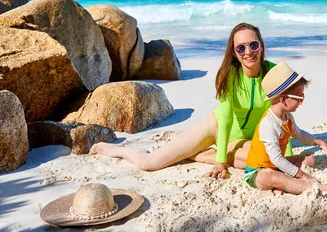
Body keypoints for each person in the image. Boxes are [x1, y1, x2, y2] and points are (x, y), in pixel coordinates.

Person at [91, 22, 291, 179]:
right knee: (149, 164)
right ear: (234, 53)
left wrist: (288, 156)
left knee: (268, 161)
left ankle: (196, 155)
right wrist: (220, 163)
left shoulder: (274, 72)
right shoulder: (230, 76)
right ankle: (118, 151)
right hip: (218, 126)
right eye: (241, 48)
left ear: (261, 46)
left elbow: (282, 117)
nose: (248, 52)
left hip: (249, 138)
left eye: (253, 44)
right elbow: (227, 120)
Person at [244, 62, 327, 194]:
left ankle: (282, 183)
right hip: (257, 172)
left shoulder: (287, 117)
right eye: (300, 98)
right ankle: (315, 187)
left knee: (309, 159)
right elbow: (276, 159)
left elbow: (298, 134)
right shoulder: (269, 124)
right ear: (284, 99)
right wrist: (302, 175)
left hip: (275, 166)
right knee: (274, 177)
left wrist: (317, 141)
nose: (301, 102)